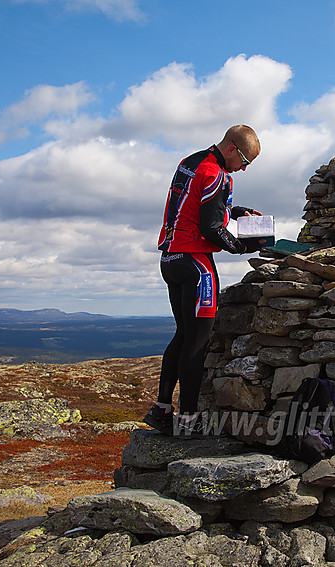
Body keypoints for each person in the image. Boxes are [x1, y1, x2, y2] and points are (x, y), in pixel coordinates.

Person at [144, 125, 265, 438]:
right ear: (231, 149)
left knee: (183, 335)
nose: (244, 169)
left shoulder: (191, 161)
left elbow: (197, 204)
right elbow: (211, 228)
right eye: (245, 162)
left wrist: (235, 212)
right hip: (196, 263)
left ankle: (161, 409)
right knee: (197, 343)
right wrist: (242, 247)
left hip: (170, 258)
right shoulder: (217, 173)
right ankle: (188, 418)